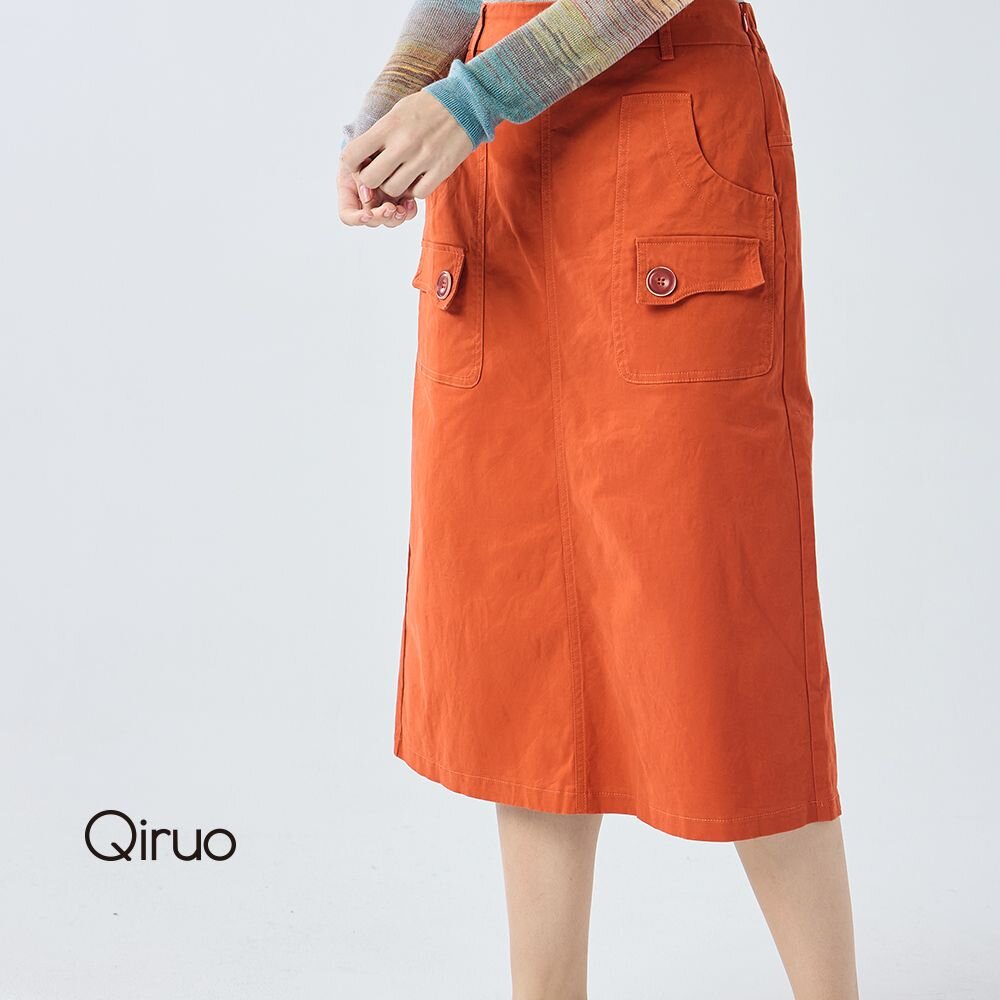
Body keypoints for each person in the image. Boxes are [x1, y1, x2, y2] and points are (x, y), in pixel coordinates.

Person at [339, 2, 860, 997]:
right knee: (521, 626)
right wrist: (394, 104)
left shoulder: (484, 101)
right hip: (495, 162)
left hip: (664, 132)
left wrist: (469, 100)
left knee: (720, 626)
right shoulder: (470, 108)